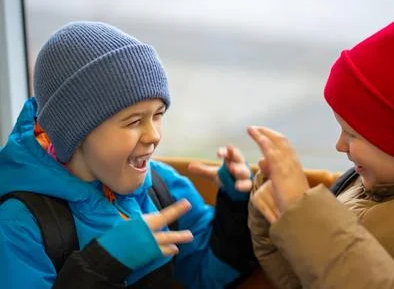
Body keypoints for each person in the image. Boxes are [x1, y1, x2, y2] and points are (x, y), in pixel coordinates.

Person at [0, 21, 256, 288]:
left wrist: (236, 206)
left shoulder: (161, 186)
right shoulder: (19, 225)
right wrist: (102, 265)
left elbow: (207, 276)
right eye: (134, 121)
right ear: (75, 131)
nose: (153, 135)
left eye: (158, 115)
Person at [246, 1, 394, 288]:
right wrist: (274, 211)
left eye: (353, 134)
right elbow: (306, 279)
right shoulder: (369, 178)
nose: (339, 146)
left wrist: (304, 212)